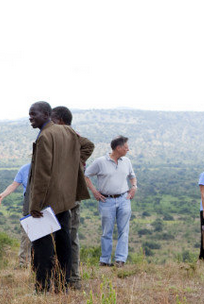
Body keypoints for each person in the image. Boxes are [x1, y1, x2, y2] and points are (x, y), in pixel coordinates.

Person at [27, 101, 90, 292]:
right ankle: (63, 284)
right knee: (64, 241)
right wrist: (72, 164)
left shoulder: (45, 136)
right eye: (30, 114)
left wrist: (35, 204)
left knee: (42, 245)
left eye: (34, 114)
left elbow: (42, 174)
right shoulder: (68, 131)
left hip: (47, 200)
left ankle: (42, 286)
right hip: (65, 198)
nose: (30, 118)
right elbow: (87, 145)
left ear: (47, 115)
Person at [50, 106, 94, 289]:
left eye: (52, 119)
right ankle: (62, 276)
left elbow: (89, 144)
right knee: (62, 237)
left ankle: (72, 277)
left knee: (69, 236)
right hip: (61, 194)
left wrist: (73, 161)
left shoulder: (71, 136)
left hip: (70, 195)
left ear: (60, 121)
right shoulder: (61, 137)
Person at [84, 135, 137, 268]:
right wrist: (94, 191)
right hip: (106, 200)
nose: (128, 150)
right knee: (106, 231)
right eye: (126, 147)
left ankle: (120, 260)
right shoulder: (100, 162)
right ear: (118, 148)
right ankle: (105, 260)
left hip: (124, 198)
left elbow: (132, 176)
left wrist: (134, 187)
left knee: (124, 231)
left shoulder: (126, 161)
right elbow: (86, 175)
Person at [0, 162, 32, 267]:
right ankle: (24, 263)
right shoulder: (25, 169)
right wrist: (2, 195)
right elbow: (14, 185)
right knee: (26, 234)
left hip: (46, 205)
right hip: (29, 204)